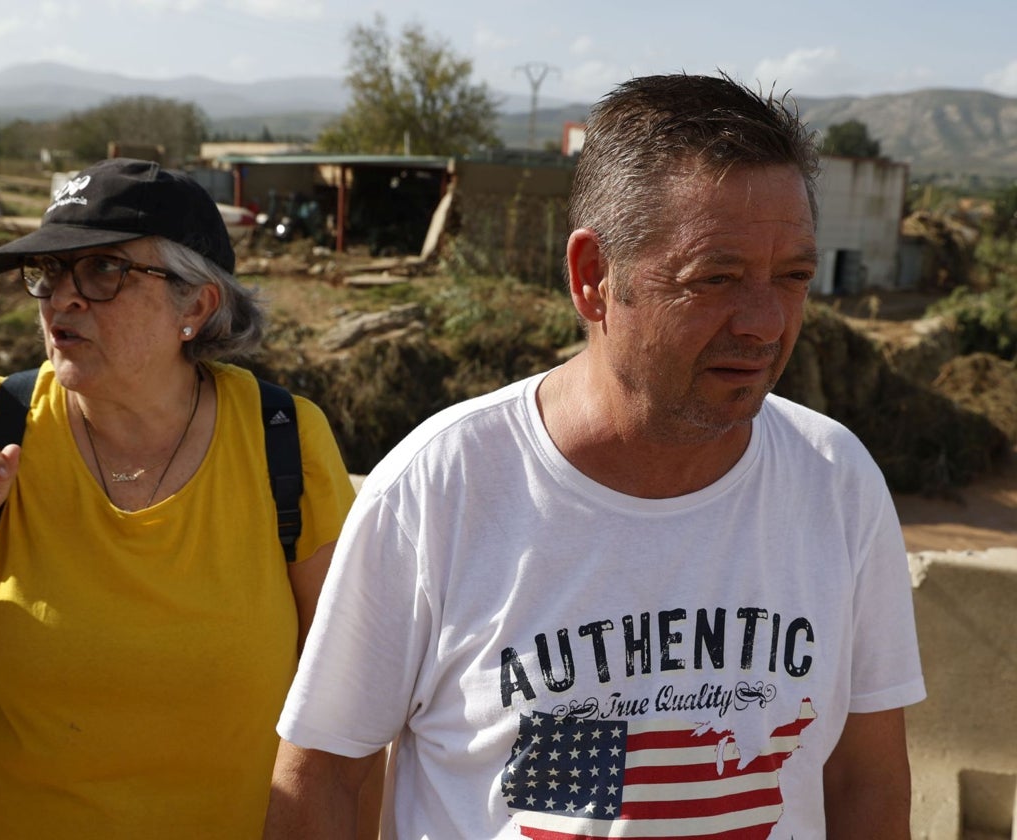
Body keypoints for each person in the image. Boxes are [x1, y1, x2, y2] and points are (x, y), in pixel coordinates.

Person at [264, 74, 926, 839]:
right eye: (716, 277)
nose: (766, 322)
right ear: (593, 278)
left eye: (794, 277)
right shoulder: (440, 488)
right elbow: (323, 780)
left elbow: (865, 781)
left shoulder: (837, 483)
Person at [0, 157, 356, 838]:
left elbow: (348, 695)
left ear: (197, 304)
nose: (63, 299)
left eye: (104, 270)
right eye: (49, 275)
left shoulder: (282, 440)